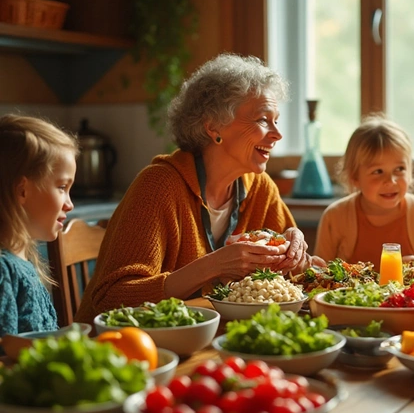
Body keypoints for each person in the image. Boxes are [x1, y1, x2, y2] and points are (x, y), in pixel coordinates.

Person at [75, 53, 318, 323]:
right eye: (262, 120)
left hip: (209, 342)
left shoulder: (259, 187)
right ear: (214, 126)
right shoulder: (158, 186)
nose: (277, 134)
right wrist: (213, 266)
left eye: (276, 121)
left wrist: (295, 252)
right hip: (130, 348)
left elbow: (295, 281)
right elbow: (109, 301)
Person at [314, 114, 414, 268]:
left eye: (399, 169)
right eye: (378, 171)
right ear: (355, 177)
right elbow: (319, 277)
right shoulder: (335, 217)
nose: (391, 181)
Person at [0, 114, 78, 336]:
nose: (70, 204)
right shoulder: (4, 272)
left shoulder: (22, 261)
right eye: (62, 187)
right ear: (22, 190)